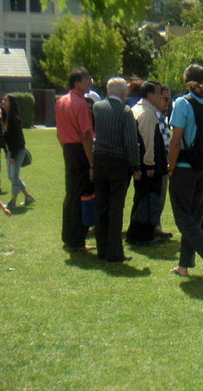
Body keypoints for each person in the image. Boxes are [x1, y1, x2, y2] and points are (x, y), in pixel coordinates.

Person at [168, 63, 203, 276]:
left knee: (183, 218)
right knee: (193, 216)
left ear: (186, 81)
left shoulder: (182, 103)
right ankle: (184, 265)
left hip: (185, 167)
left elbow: (176, 141)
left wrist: (170, 166)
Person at [92, 77, 141, 262]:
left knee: (101, 206)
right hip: (118, 163)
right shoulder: (125, 111)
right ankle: (114, 251)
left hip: (99, 160)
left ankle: (102, 248)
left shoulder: (97, 108)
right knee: (116, 208)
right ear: (122, 93)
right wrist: (135, 166)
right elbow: (131, 142)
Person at [55, 66, 95, 251]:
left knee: (71, 193)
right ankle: (77, 239)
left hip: (69, 150)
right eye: (86, 79)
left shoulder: (61, 101)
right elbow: (86, 134)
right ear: (77, 83)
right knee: (83, 195)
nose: (90, 82)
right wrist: (91, 163)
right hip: (80, 150)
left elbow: (59, 131)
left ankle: (69, 236)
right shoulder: (80, 104)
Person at [127, 81, 167, 244]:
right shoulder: (147, 113)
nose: (161, 97)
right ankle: (142, 235)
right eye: (158, 93)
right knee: (148, 199)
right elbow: (148, 141)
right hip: (148, 166)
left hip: (141, 163)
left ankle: (141, 233)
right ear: (149, 95)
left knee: (142, 198)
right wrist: (150, 164)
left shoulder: (138, 109)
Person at [2, 94, 35, 211]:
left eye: (5, 100)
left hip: (17, 151)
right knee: (11, 176)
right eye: (3, 100)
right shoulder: (5, 116)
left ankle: (13, 202)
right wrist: (7, 151)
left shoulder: (14, 118)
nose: (3, 102)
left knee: (14, 176)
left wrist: (13, 155)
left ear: (11, 103)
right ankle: (28, 197)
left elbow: (17, 139)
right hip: (10, 151)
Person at [154, 85, 173, 239]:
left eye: (169, 100)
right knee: (159, 192)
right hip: (159, 158)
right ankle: (155, 227)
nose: (167, 103)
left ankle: (155, 225)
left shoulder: (159, 114)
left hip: (160, 157)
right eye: (165, 99)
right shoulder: (155, 114)